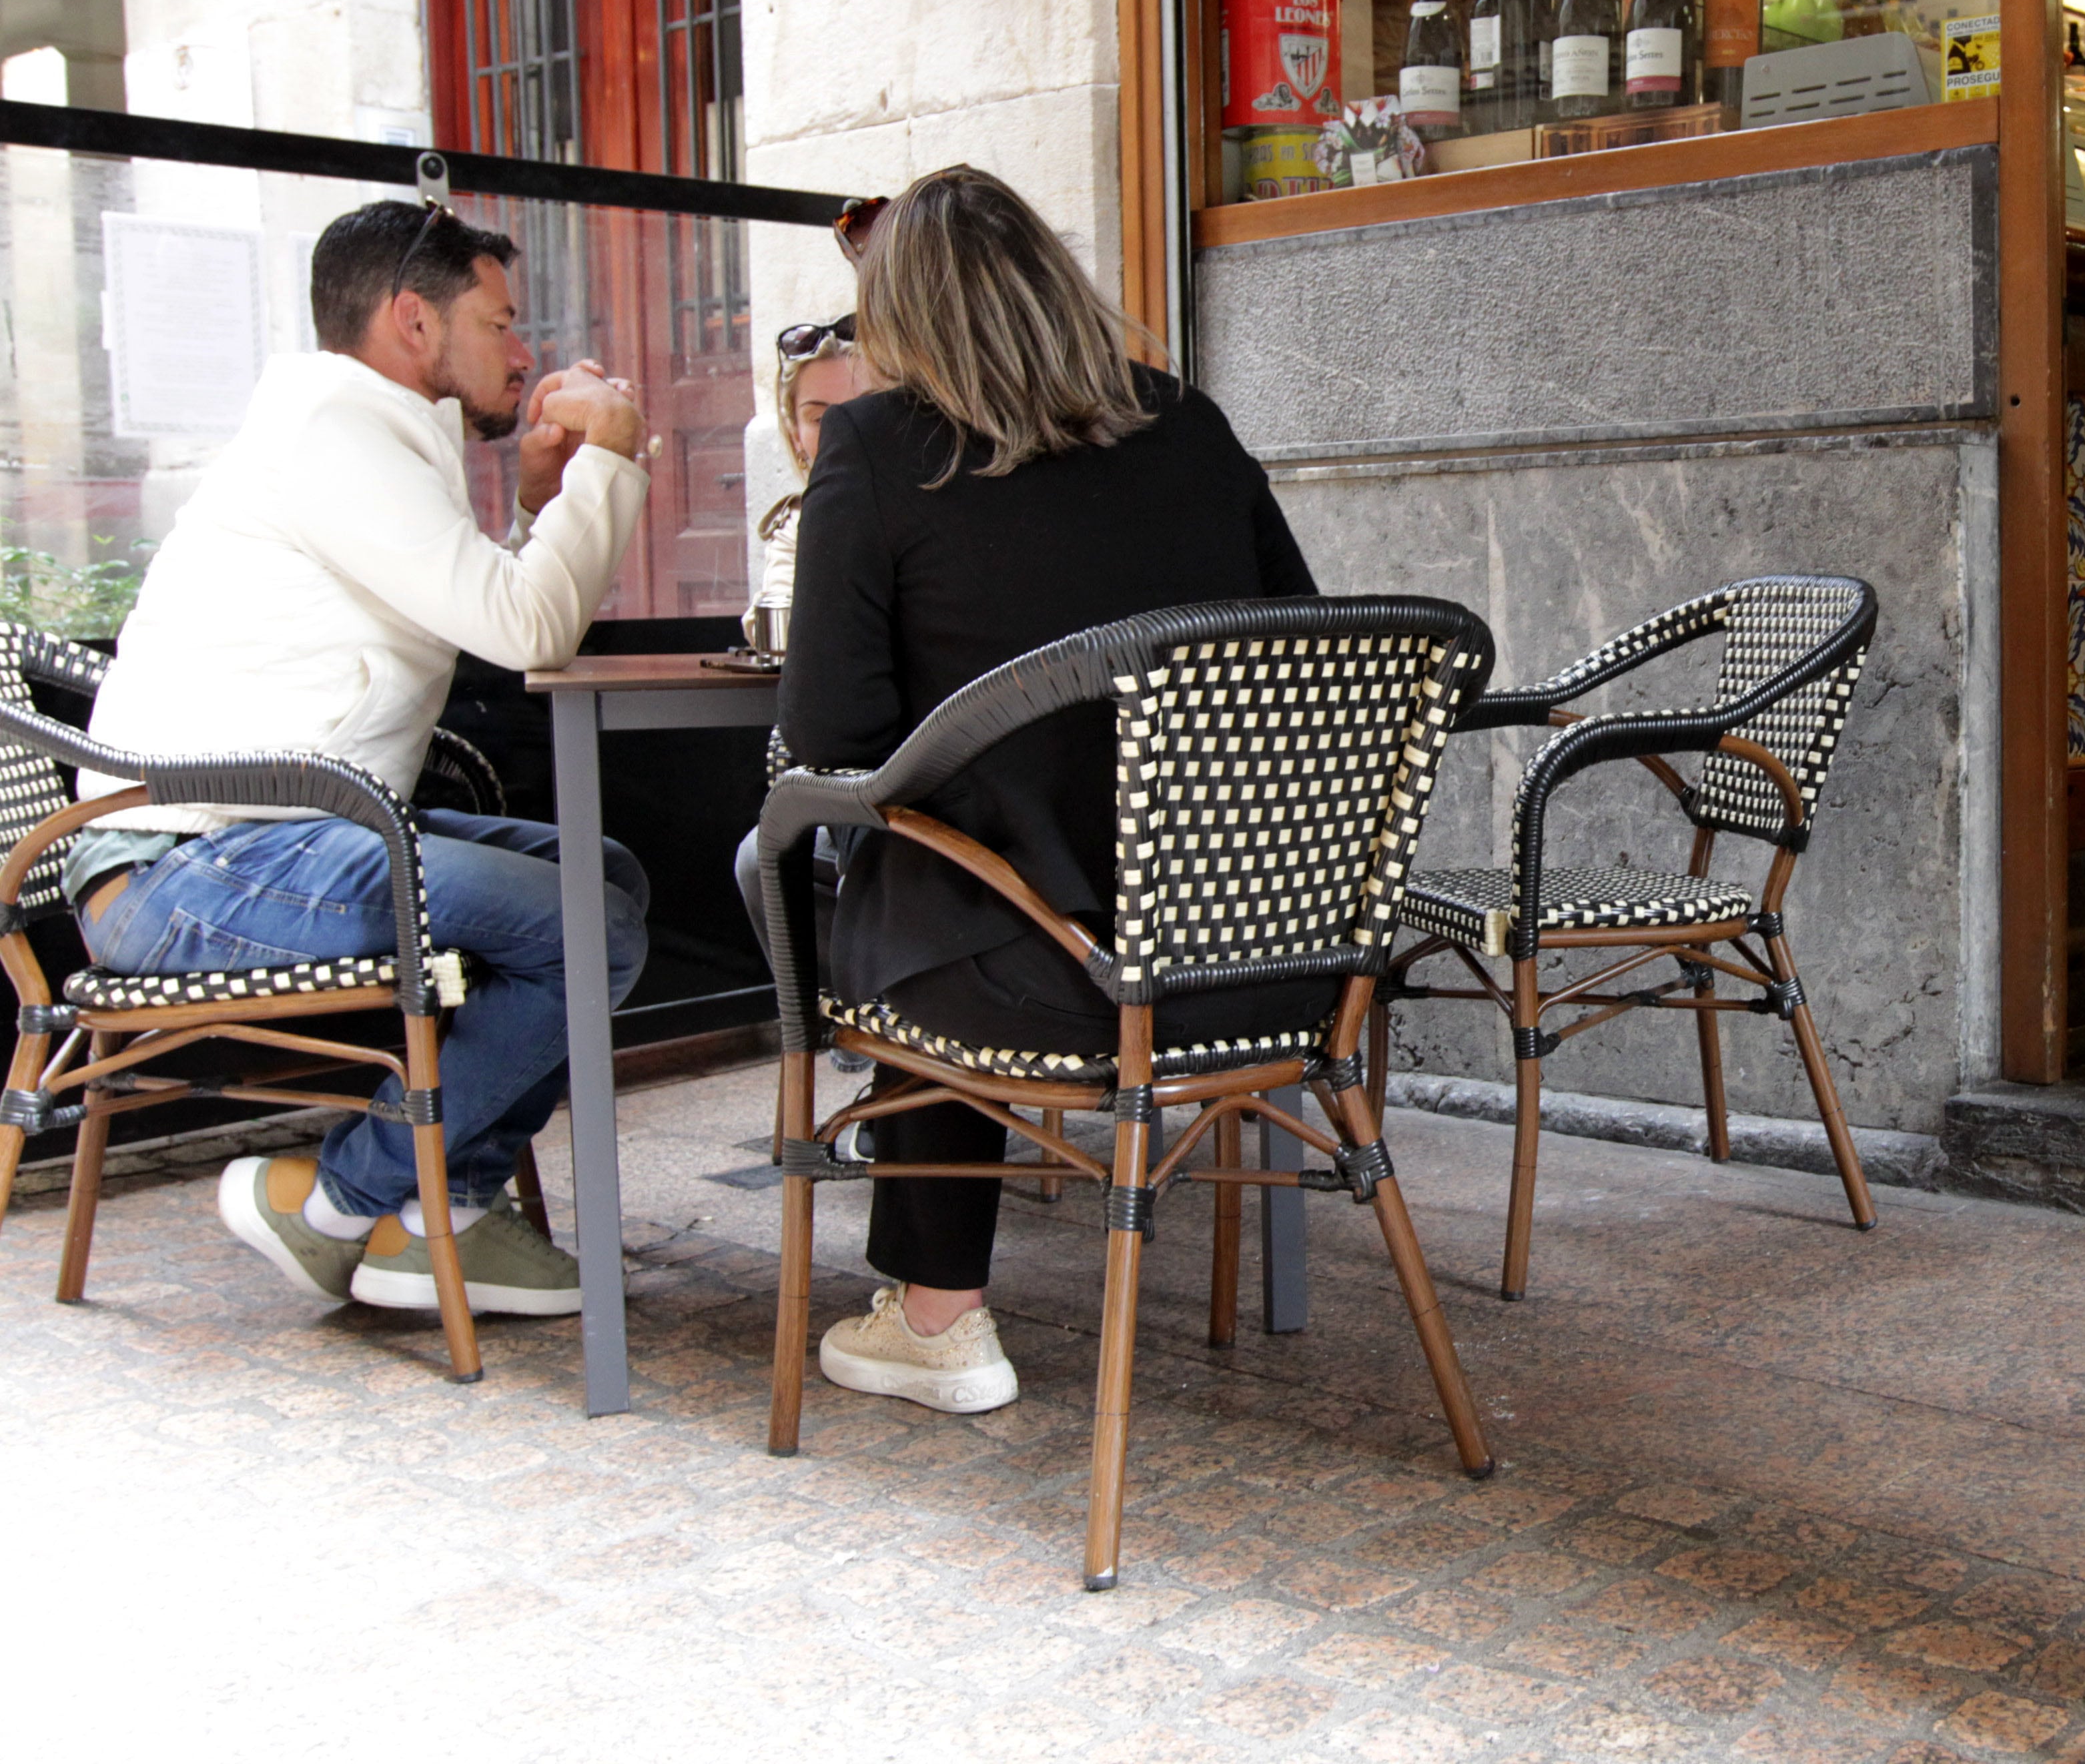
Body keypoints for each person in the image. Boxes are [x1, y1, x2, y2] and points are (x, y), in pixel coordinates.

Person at [777, 165, 1323, 1414]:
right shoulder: (1189, 425)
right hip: (1254, 956)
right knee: (949, 862)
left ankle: (939, 1316)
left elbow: (832, 739)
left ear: (899, 317)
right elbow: (1300, 653)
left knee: (905, 864)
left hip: (1040, 977)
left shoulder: (874, 445)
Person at [74, 199, 655, 1318]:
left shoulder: (371, 430)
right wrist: (610, 460)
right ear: (412, 321)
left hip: (280, 838)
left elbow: (484, 609)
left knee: (609, 878)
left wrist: (541, 504)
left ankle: (435, 1212)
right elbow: (527, 630)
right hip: (183, 869)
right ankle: (351, 1200)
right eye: (500, 320)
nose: (525, 350)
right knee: (586, 917)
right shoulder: (330, 436)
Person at [751, 315, 873, 614]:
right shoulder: (795, 529)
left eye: (863, 410)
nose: (844, 431)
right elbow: (776, 623)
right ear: (795, 435)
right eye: (820, 419)